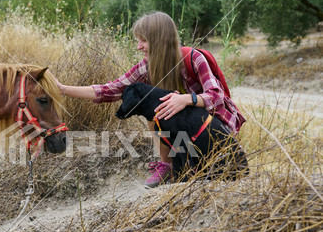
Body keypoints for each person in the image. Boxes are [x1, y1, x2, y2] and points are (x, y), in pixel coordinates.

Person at [55, 11, 246, 188]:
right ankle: (168, 166)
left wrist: (186, 99)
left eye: (143, 40)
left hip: (213, 130)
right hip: (181, 132)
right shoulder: (146, 67)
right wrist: (63, 90)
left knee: (169, 107)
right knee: (153, 108)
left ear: (160, 39)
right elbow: (110, 90)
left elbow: (217, 95)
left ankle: (195, 164)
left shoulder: (193, 57)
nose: (139, 47)